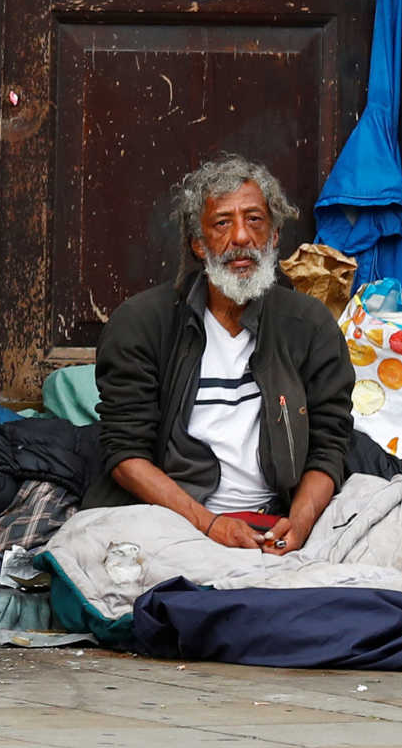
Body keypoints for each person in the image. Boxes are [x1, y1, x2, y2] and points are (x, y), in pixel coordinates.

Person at [86, 155, 354, 554]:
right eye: (222, 223)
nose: (242, 237)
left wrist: (297, 524)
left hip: (275, 522)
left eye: (255, 219)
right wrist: (209, 525)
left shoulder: (309, 324)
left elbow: (329, 445)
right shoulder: (142, 323)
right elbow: (126, 455)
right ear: (197, 243)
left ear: (275, 235)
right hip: (170, 521)